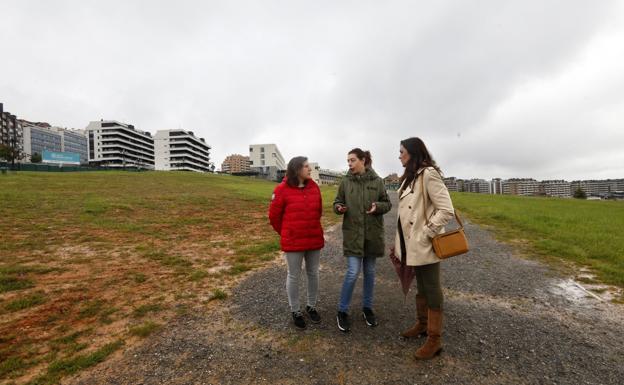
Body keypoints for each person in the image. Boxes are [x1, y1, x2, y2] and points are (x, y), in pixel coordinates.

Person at [395, 137, 455, 359]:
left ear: (412, 152)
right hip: (412, 244)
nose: (399, 155)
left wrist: (426, 233)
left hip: (425, 244)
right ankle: (422, 324)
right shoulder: (410, 177)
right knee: (421, 286)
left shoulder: (428, 174)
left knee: (431, 288)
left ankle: (434, 339)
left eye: (402, 151)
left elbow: (446, 210)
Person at [334, 148, 392, 332]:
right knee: (352, 272)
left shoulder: (378, 181)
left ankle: (367, 308)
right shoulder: (345, 182)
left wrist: (378, 207)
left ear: (363, 160)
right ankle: (342, 311)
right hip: (353, 235)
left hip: (372, 236)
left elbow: (387, 203)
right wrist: (339, 208)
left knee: (370, 272)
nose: (349, 164)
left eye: (352, 160)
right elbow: (337, 202)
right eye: (348, 161)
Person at [269, 156, 325, 329]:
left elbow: (319, 211)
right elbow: (274, 217)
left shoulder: (314, 187)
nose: (310, 169)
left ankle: (311, 306)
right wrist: (287, 232)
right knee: (293, 275)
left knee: (313, 273)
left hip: (313, 238)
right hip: (293, 240)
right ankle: (295, 310)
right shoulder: (281, 189)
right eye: (307, 166)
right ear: (296, 169)